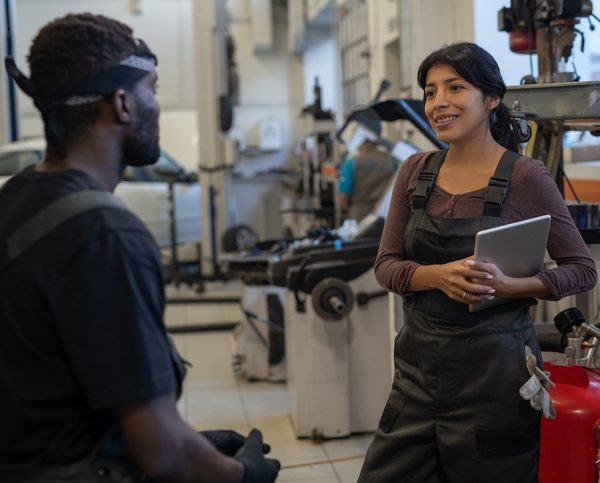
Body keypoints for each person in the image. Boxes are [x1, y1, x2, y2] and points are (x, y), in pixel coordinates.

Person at [0, 13, 279, 483]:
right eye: (152, 88)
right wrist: (242, 474)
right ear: (124, 104)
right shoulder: (105, 235)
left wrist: (195, 444)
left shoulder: (15, 199)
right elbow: (162, 455)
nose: (157, 104)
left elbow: (61, 390)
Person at [357, 42, 597, 483]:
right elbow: (386, 265)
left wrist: (510, 286)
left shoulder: (526, 177)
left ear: (491, 99)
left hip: (497, 381)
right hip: (418, 376)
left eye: (455, 87)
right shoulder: (415, 171)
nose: (439, 102)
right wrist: (437, 276)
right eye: (431, 92)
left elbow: (582, 268)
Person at [338, 138, 397, 221]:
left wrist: (344, 212)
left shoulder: (352, 162)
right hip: (385, 214)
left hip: (359, 215)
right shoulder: (390, 161)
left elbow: (344, 195)